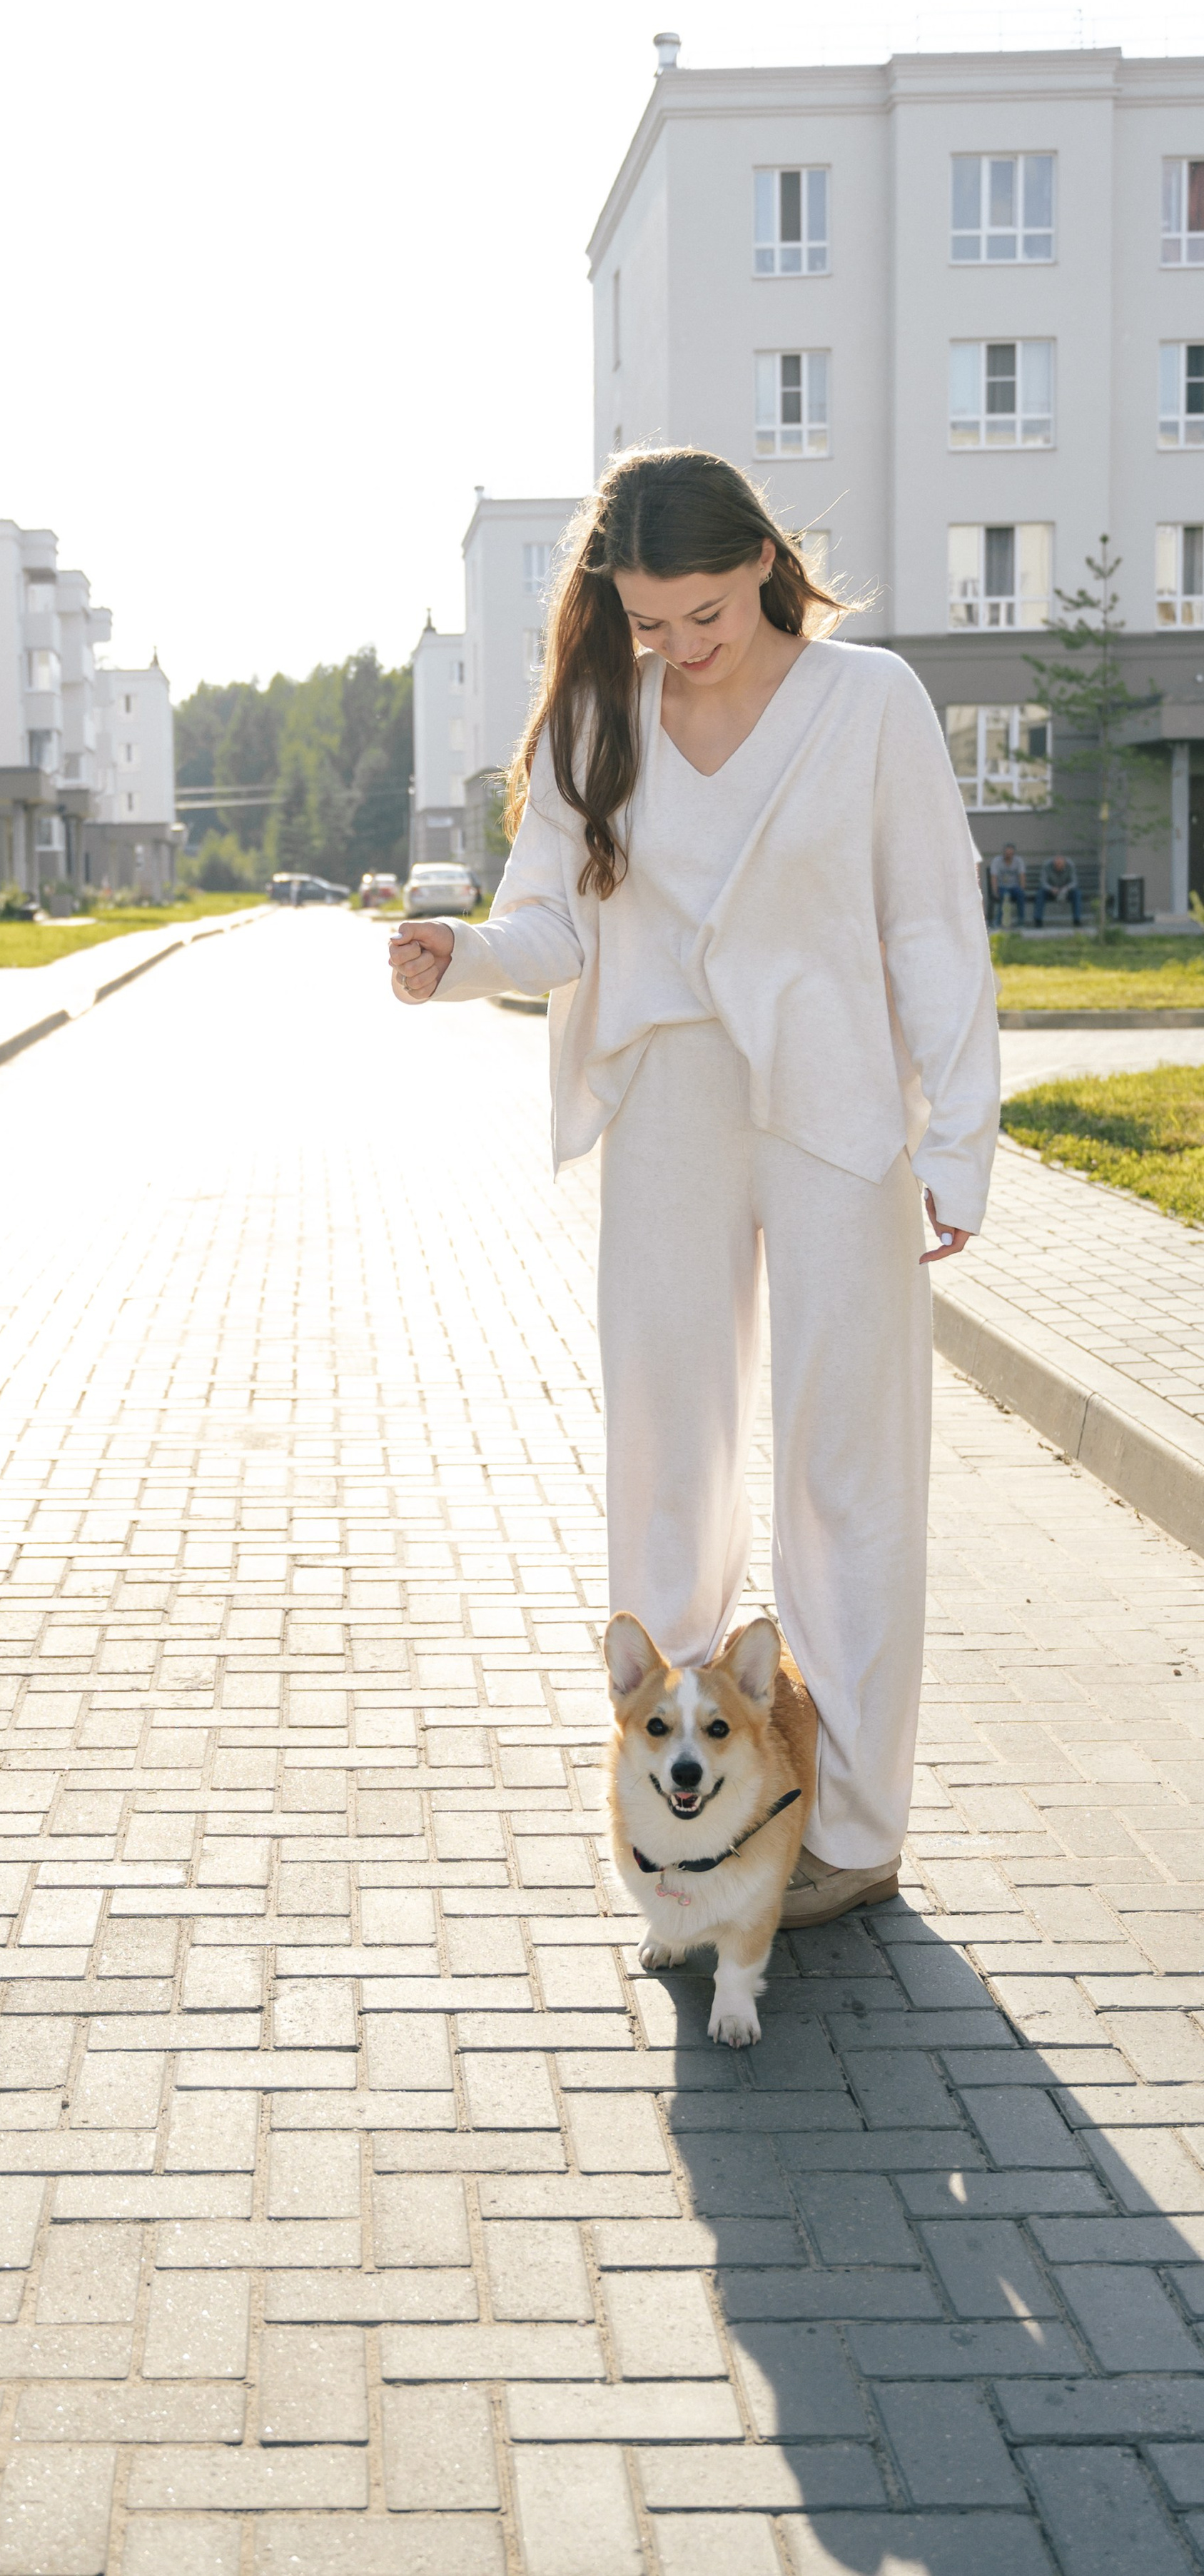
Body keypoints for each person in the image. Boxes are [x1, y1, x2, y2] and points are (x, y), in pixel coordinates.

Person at [386, 448, 998, 1930]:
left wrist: (957, 1135)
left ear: (762, 565)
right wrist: (460, 958)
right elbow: (545, 920)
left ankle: (845, 1823)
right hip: (667, 1098)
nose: (679, 645)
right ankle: (676, 1818)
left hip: (838, 1106)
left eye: (704, 611)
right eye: (650, 621)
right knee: (667, 1446)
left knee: (841, 1466)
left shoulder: (870, 705)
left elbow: (930, 925)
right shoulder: (603, 713)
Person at [1036, 852, 1081, 928]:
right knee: (1040, 893)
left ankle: (1077, 920)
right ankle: (1038, 920)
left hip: (1066, 890)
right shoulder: (1047, 865)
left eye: (1061, 865)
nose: (1058, 867)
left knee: (1077, 893)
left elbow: (1074, 882)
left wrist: (1067, 888)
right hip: (1051, 891)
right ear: (1053, 863)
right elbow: (1043, 882)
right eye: (1056, 865)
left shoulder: (1070, 865)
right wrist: (1051, 888)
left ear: (1064, 863)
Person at [990, 844, 1028, 930]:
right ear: (1003, 853)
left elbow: (1022, 876)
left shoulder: (1018, 861)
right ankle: (998, 921)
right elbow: (994, 877)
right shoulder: (997, 861)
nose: (1008, 855)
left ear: (1014, 854)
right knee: (1004, 896)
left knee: (1021, 895)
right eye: (1007, 853)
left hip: (1015, 887)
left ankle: (1021, 921)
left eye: (1011, 853)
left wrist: (1022, 889)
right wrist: (995, 891)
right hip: (1002, 887)